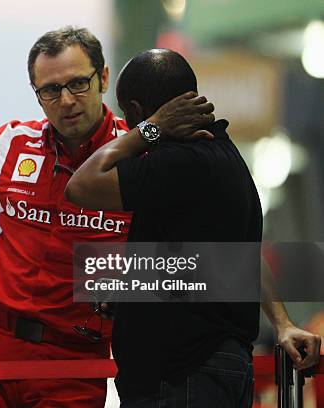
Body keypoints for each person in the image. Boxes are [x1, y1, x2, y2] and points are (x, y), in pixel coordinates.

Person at [0, 27, 215, 407]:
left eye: (78, 83)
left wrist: (134, 284)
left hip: (74, 357)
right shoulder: (11, 143)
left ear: (103, 78)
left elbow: (204, 255)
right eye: (50, 90)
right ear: (36, 94)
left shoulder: (142, 155)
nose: (66, 100)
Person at [65, 48, 321, 406]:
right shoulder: (225, 156)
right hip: (210, 369)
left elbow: (80, 185)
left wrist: (148, 131)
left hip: (183, 375)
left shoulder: (178, 162)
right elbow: (239, 258)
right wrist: (281, 322)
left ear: (138, 111)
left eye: (129, 118)